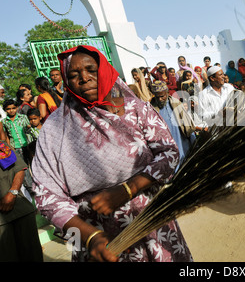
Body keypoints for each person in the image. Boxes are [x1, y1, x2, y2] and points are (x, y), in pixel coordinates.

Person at [31, 45, 192, 262]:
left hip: (152, 222)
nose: (84, 78)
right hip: (97, 237)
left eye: (91, 70)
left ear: (105, 70)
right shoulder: (55, 128)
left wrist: (128, 189)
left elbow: (169, 153)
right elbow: (45, 194)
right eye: (73, 75)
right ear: (67, 82)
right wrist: (89, 237)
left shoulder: (137, 110)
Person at [0, 140, 43, 262]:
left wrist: (12, 192)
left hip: (20, 211)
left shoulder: (1, 146)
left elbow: (19, 169)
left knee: (32, 255)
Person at [150, 81, 196, 169]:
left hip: (182, 143)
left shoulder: (176, 104)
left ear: (167, 93)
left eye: (162, 96)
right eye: (157, 96)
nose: (160, 99)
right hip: (166, 147)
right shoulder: (151, 108)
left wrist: (193, 142)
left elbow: (187, 125)